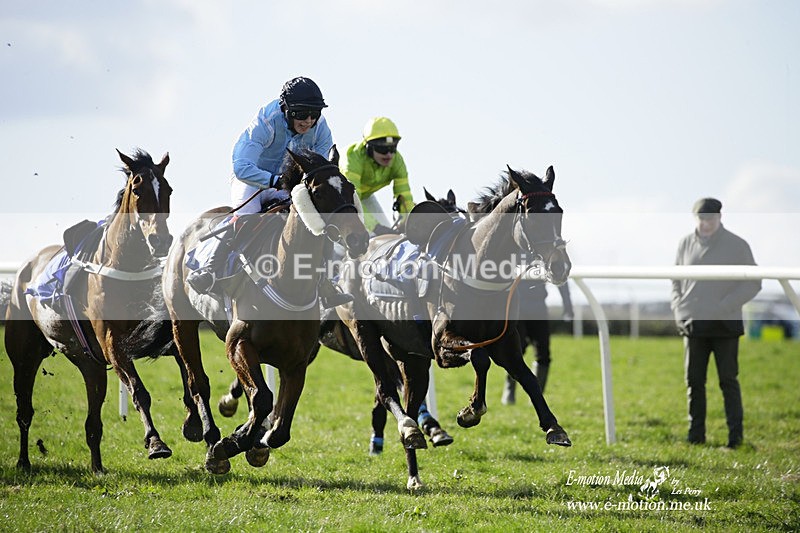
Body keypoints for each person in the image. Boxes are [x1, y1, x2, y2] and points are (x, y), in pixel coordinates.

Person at [187, 76, 351, 307]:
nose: (309, 121)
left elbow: (319, 168)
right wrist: (274, 180)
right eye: (302, 114)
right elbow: (242, 167)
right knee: (247, 216)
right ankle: (210, 270)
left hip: (288, 186)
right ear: (286, 109)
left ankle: (325, 283)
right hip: (252, 180)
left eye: (314, 115)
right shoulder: (265, 123)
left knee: (314, 221)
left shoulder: (320, 129)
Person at [671, 197, 761, 449]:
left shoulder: (737, 245)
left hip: (725, 327)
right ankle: (695, 438)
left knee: (728, 382)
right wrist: (680, 310)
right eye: (701, 219)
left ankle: (735, 440)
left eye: (710, 219)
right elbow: (675, 281)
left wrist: (725, 306)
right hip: (694, 326)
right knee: (694, 382)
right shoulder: (684, 244)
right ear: (696, 219)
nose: (706, 224)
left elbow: (754, 282)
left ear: (719, 218)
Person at [501, 281, 573, 405]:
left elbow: (559, 274)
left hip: (539, 311)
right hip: (517, 311)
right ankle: (509, 391)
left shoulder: (544, 261)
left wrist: (567, 305)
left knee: (543, 354)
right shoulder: (514, 261)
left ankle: (536, 397)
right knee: (516, 352)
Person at [340, 117, 414, 233]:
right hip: (341, 200)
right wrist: (375, 227)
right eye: (382, 149)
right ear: (368, 147)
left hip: (365, 197)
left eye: (392, 148)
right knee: (359, 238)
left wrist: (408, 222)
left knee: (390, 237)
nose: (389, 155)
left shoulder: (397, 160)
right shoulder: (352, 159)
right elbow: (352, 200)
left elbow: (405, 198)